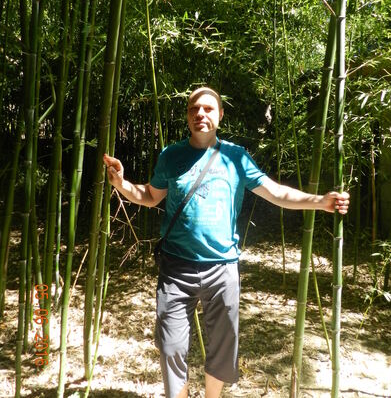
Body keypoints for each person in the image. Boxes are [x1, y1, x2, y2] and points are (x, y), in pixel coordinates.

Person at [103, 86, 349, 398]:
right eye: (194, 109)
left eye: (207, 109)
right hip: (176, 267)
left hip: (222, 268)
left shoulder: (236, 157)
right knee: (170, 347)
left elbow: (276, 193)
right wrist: (121, 183)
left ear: (220, 115)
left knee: (223, 348)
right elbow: (151, 196)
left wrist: (320, 201)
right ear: (187, 116)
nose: (200, 114)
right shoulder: (171, 155)